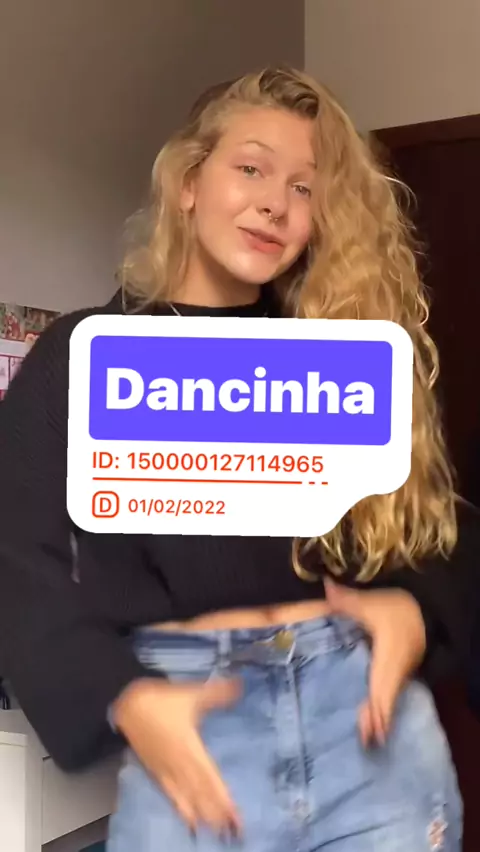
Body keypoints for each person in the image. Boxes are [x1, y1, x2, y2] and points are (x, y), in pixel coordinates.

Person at [0, 66, 478, 851]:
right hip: (199, 738)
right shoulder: (82, 358)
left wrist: (417, 610)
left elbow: (438, 528)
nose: (274, 203)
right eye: (252, 168)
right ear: (189, 183)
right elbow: (18, 559)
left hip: (365, 733)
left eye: (304, 187)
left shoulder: (343, 365)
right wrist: (120, 694)